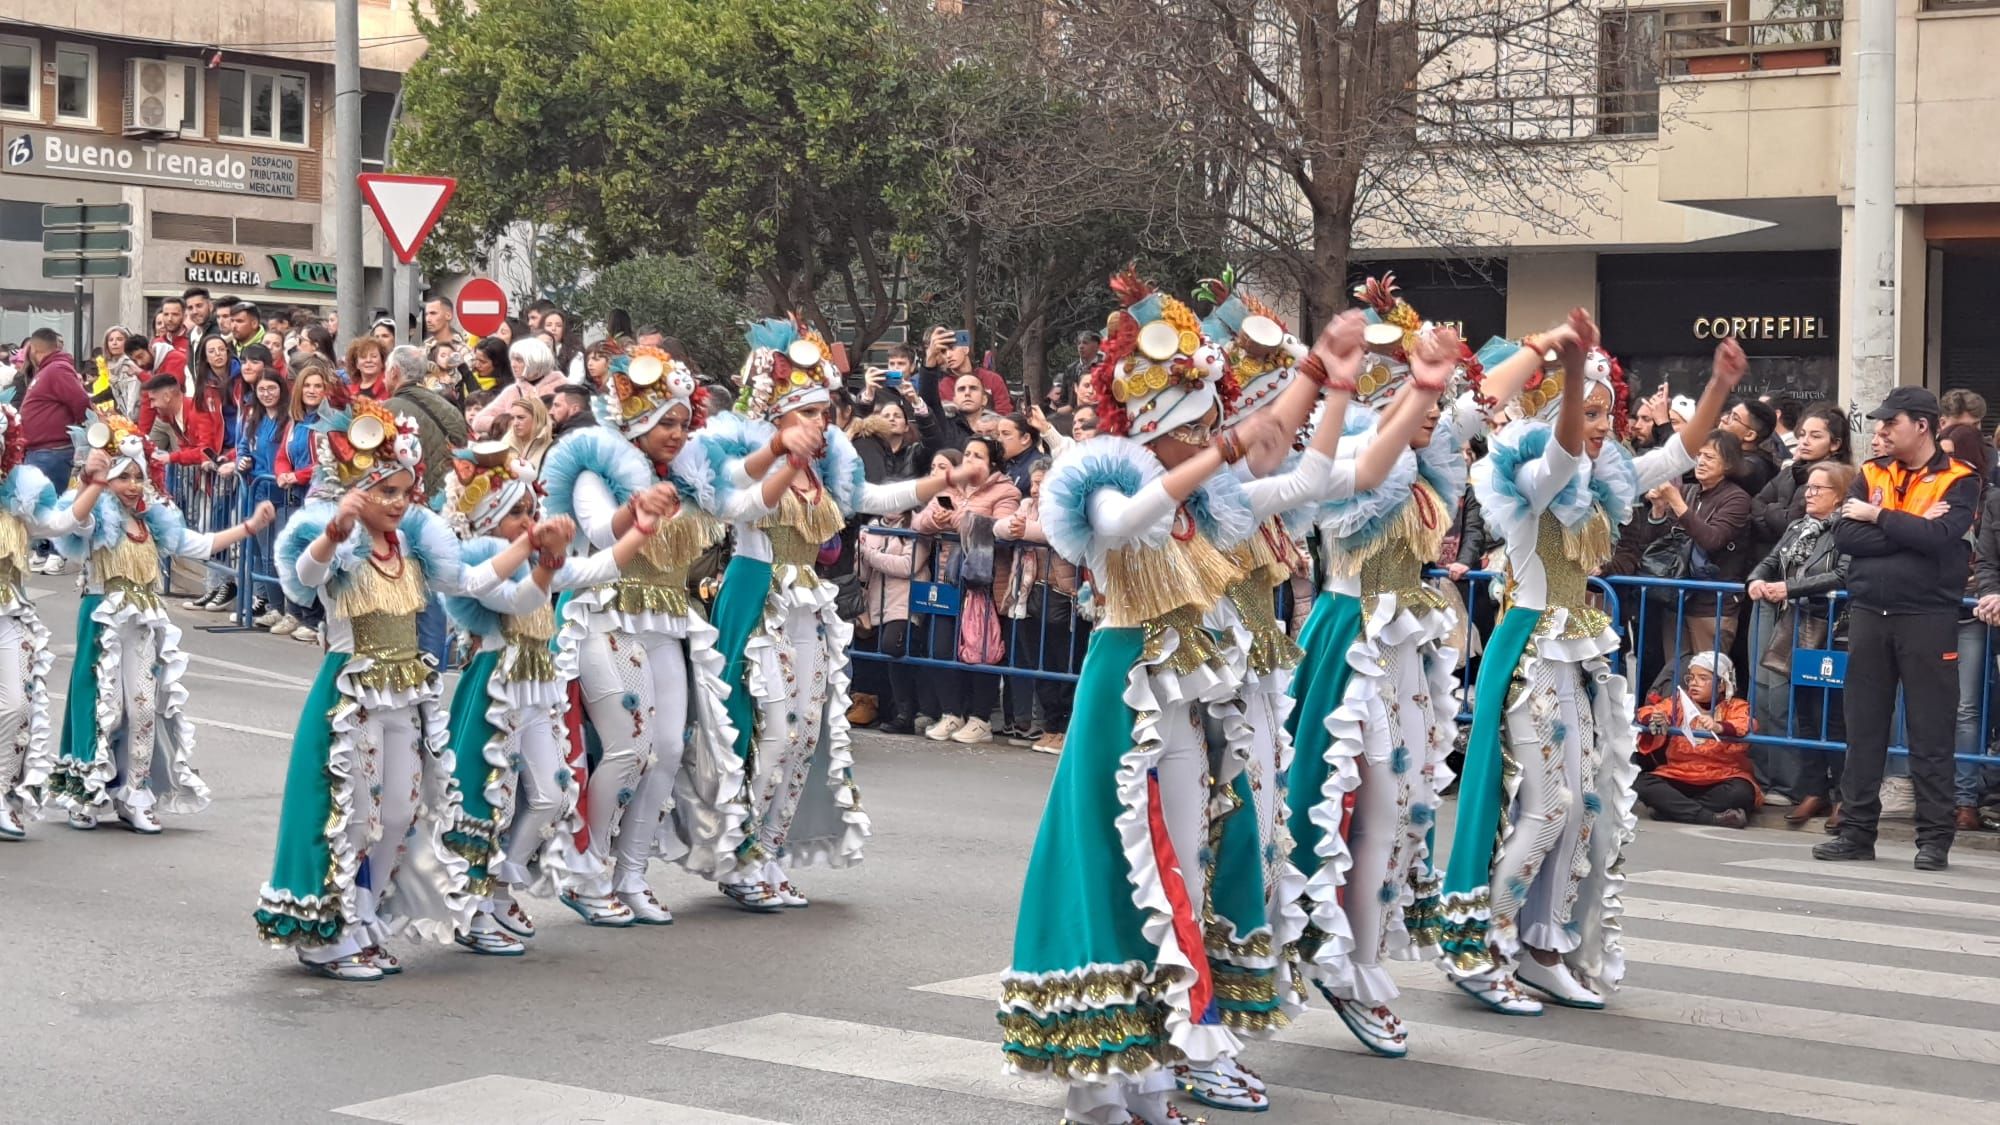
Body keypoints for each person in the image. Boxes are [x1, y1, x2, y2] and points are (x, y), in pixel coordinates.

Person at [997, 273, 1289, 1125]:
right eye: (1193, 425)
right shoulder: (1103, 482)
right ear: (1155, 429)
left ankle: (1156, 1082)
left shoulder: (1205, 503)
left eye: (1211, 421)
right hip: (1123, 704)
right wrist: (1215, 455)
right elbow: (1121, 526)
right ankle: (1095, 1098)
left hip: (1185, 706)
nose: (1210, 436)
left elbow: (1305, 483)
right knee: (1118, 882)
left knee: (1180, 882)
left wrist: (1326, 382)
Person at [1442, 319, 1745, 1012]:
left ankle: (1543, 946)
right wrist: (1576, 367)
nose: (1603, 424)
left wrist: (1720, 385)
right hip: (1527, 650)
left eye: (1609, 411)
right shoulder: (1528, 475)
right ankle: (1486, 945)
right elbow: (1558, 453)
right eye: (1590, 412)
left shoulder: (1604, 477)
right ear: (1558, 412)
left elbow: (1676, 455)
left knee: (1582, 806)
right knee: (1545, 808)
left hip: (1573, 650)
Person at [1279, 276, 1544, 1057]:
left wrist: (1542, 348)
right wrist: (1415, 390)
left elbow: (1473, 400)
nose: (1444, 412)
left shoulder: (1428, 458)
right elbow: (1374, 459)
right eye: (1425, 398)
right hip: (1352, 637)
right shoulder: (1357, 448)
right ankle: (1341, 958)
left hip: (1403, 649)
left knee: (1398, 815)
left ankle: (1353, 956)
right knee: (1354, 806)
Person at [684, 317, 973, 912]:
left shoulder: (826, 468)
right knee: (765, 729)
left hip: (807, 601)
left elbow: (868, 499)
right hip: (757, 591)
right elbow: (734, 500)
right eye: (809, 413)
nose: (823, 423)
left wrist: (939, 482)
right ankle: (739, 855)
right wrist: (781, 457)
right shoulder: (746, 455)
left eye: (825, 411)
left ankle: (767, 849)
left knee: (806, 735)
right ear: (777, 417)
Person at [255, 398, 535, 981]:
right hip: (350, 697)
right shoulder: (337, 547)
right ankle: (329, 934)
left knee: (403, 812)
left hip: (406, 693)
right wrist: (333, 534)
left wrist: (529, 549)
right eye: (385, 491)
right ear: (357, 492)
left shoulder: (414, 548)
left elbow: (471, 580)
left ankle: (364, 917)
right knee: (353, 816)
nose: (397, 502)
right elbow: (303, 582)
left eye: (405, 492)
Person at [542, 345, 736, 926]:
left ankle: (630, 873)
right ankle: (587, 870)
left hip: (665, 621)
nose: (675, 433)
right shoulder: (593, 469)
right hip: (605, 616)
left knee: (669, 751)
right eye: (663, 421)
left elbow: (741, 499)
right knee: (629, 748)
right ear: (633, 418)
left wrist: (777, 450)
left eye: (682, 421)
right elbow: (600, 531)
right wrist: (639, 507)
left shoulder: (687, 478)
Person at [441, 453, 658, 954]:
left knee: (551, 797)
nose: (528, 521)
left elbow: (599, 565)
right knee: (490, 801)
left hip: (536, 689)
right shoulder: (477, 560)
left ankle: (498, 893)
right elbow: (519, 601)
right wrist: (541, 558)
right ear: (490, 516)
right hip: (496, 692)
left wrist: (642, 527)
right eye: (517, 513)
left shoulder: (538, 560)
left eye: (530, 511)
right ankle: (472, 909)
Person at [51, 418, 274, 833]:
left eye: (138, 477)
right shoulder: (99, 519)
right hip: (103, 620)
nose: (134, 486)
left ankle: (134, 793)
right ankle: (88, 792)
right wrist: (93, 483)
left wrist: (249, 528)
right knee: (105, 710)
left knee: (142, 710)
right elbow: (73, 524)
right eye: (124, 478)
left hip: (143, 625)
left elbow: (200, 545)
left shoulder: (153, 523)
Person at [1814, 387, 1976, 871]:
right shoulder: (1869, 472)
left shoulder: (1961, 479)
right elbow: (1846, 535)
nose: (1880, 430)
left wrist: (1879, 516)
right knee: (1863, 728)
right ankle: (1857, 832)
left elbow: (1940, 538)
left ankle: (1933, 839)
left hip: (1928, 617)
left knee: (1931, 731)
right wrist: (1908, 528)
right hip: (1869, 613)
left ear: (1922, 425)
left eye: (1891, 422)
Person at [0, 404, 97, 839]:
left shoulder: (18, 495)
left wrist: (93, 485)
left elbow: (58, 524)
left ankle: (2, 794)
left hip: (8, 612)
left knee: (19, 705)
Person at [1745, 460, 1854, 823]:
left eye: (1819, 489)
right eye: (1809, 488)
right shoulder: (1796, 527)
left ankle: (1843, 795)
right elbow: (1771, 560)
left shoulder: (1848, 531)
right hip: (1799, 626)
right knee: (1805, 711)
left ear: (1839, 496)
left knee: (1835, 717)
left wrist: (1789, 587)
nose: (1809, 494)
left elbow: (1842, 575)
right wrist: (1757, 580)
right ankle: (1814, 791)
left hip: (1836, 629)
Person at [911, 435, 1023, 745]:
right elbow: (918, 523)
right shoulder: (949, 488)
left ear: (993, 463)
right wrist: (935, 519)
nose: (970, 460)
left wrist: (957, 518)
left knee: (980, 651)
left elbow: (997, 529)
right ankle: (951, 713)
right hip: (946, 579)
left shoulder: (1006, 491)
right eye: (967, 454)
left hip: (982, 583)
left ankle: (980, 718)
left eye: (978, 456)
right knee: (940, 647)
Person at [1643, 429, 1754, 664]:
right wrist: (1659, 510)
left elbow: (1712, 540)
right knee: (1676, 675)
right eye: (1699, 455)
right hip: (1678, 599)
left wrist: (1676, 502)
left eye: (1710, 457)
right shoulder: (1689, 492)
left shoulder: (1737, 499)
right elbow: (1661, 544)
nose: (1701, 462)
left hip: (1713, 604)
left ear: (1728, 464)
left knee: (1707, 678)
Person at [1939, 425, 1996, 831]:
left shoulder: (1986, 498)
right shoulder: (1934, 493)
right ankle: (1925, 790)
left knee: (1966, 707)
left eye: (1952, 455)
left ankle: (1965, 798)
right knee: (1915, 702)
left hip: (1972, 614)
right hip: (1933, 606)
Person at [1634, 651, 1757, 828]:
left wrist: (1719, 726)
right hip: (1678, 773)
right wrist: (1656, 718)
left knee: (1742, 793)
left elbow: (1746, 723)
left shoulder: (1736, 706)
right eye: (1691, 678)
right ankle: (1710, 818)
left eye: (1702, 678)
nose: (1693, 683)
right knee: (1643, 784)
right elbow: (1646, 712)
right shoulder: (1678, 702)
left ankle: (1671, 809)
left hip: (1722, 775)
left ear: (1722, 685)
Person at [18, 329, 89, 576]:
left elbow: (80, 401)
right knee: (38, 502)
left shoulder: (57, 369)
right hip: (40, 449)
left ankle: (59, 554)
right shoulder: (49, 370)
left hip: (54, 449)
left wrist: (86, 429)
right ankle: (44, 550)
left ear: (35, 350)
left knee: (54, 502)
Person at [236, 369, 295, 626]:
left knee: (282, 553)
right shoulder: (253, 419)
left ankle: (292, 611)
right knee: (263, 555)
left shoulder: (290, 419)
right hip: (258, 492)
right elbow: (242, 446)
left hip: (283, 494)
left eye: (271, 388)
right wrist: (241, 460)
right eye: (261, 390)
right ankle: (274, 607)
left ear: (281, 389)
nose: (267, 394)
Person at [473, 338, 566, 434]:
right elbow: (478, 422)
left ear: (535, 360)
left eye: (519, 360)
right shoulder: (512, 391)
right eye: (512, 359)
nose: (513, 364)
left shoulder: (563, 387)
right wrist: (508, 423)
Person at [847, 396, 928, 482]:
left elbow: (934, 441)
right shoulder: (867, 448)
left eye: (897, 416)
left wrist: (918, 405)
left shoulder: (915, 452)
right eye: (886, 416)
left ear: (906, 427)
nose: (891, 419)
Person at [1722, 397, 1780, 494]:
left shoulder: (1753, 467)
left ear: (1749, 435)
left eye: (1734, 418)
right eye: (1729, 414)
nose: (1723, 419)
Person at [503, 392, 555, 471]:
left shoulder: (553, 449)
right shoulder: (506, 442)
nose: (515, 423)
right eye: (513, 418)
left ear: (537, 418)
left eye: (521, 417)